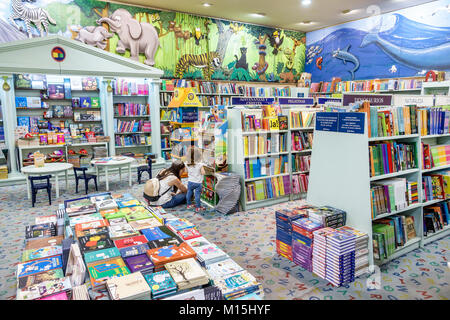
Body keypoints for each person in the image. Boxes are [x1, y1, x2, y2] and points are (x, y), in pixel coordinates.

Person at [185, 146, 206, 212]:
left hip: (190, 182)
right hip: (198, 183)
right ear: (199, 156)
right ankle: (198, 207)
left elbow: (186, 171)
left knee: (189, 193)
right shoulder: (200, 164)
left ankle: (189, 204)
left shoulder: (186, 163)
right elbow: (203, 173)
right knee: (197, 195)